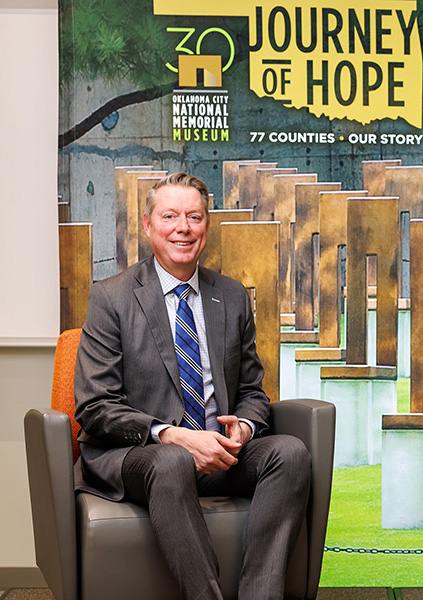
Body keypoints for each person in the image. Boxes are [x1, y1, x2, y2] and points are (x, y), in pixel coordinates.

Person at [74, 172, 311, 600]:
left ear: (206, 227)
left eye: (194, 217)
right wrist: (172, 436)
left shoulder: (233, 296)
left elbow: (253, 391)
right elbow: (95, 406)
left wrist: (243, 425)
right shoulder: (111, 297)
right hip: (141, 457)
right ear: (148, 225)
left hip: (222, 454)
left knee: (290, 452)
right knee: (172, 461)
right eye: (170, 216)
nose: (183, 227)